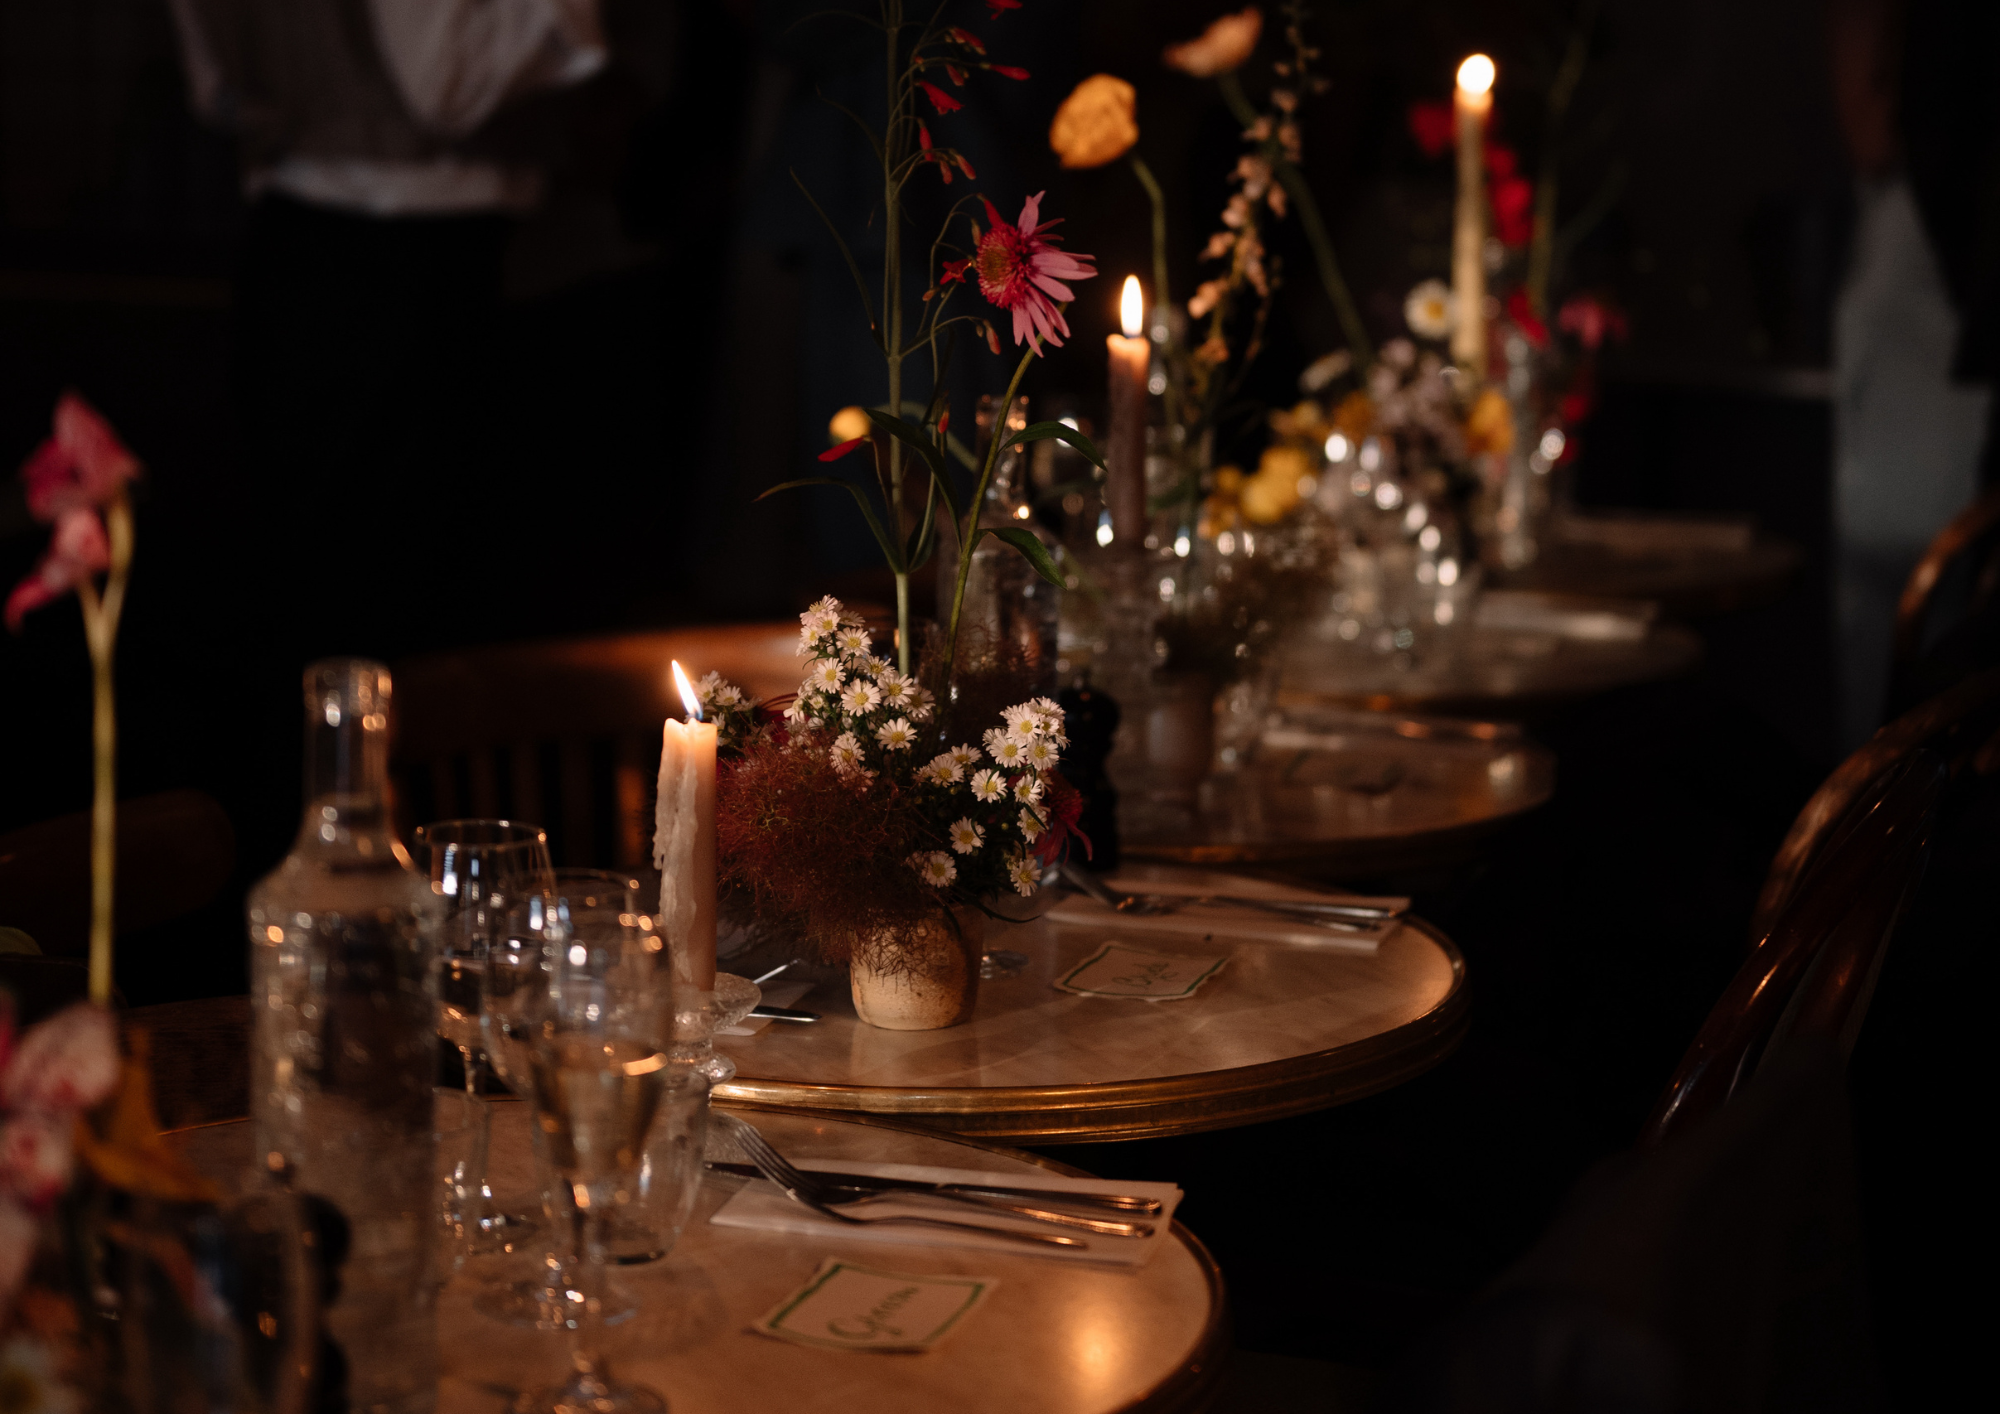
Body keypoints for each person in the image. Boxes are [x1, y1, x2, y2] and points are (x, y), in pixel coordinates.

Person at [165, 0, 608, 659]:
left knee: (313, 583)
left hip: (300, 238)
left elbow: (221, 85)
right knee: (407, 605)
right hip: (418, 252)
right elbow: (444, 88)